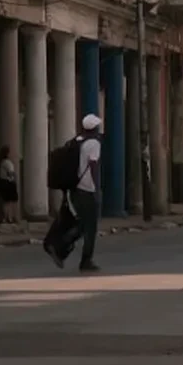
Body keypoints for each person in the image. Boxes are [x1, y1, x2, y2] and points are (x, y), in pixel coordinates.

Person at [43, 114, 103, 273]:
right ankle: (83, 259)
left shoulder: (77, 140)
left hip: (75, 188)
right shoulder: (93, 143)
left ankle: (60, 247)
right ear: (94, 128)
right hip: (87, 190)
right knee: (90, 227)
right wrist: (97, 188)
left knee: (81, 223)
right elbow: (93, 165)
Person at [0, 146, 19, 223]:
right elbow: (10, 173)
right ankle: (7, 218)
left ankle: (7, 217)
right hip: (8, 182)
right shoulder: (7, 162)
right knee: (8, 202)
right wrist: (14, 177)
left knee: (6, 202)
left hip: (3, 182)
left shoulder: (2, 162)